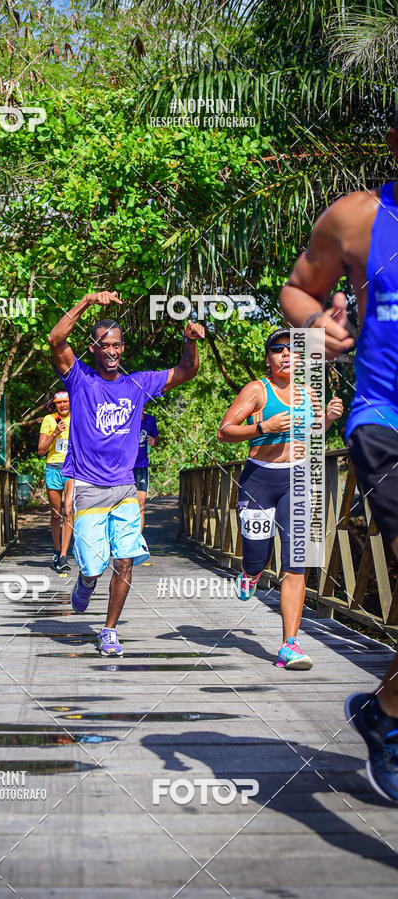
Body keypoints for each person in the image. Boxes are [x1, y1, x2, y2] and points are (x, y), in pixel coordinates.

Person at [279, 113, 398, 801]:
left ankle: (385, 712)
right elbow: (300, 288)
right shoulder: (357, 219)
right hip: (385, 422)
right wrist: (313, 322)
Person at [48, 290, 204, 656]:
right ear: (93, 349)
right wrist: (86, 300)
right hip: (88, 487)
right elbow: (57, 339)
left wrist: (189, 341)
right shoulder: (80, 380)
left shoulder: (138, 384)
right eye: (105, 346)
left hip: (123, 487)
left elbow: (187, 371)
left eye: (117, 345)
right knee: (93, 564)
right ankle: (85, 582)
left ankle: (109, 630)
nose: (113, 352)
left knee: (125, 559)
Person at [217, 327, 343, 670]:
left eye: (292, 349)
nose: (286, 354)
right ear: (269, 357)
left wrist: (327, 420)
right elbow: (225, 431)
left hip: (298, 480)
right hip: (259, 479)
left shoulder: (309, 393)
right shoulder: (257, 390)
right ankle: (251, 571)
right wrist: (263, 428)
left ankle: (290, 644)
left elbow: (312, 432)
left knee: (295, 563)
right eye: (278, 349)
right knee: (257, 555)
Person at [38, 390, 73, 573]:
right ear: (55, 404)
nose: (63, 405)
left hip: (72, 469)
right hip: (53, 468)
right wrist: (54, 434)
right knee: (55, 514)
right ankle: (56, 549)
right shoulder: (49, 420)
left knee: (68, 510)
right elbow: (41, 450)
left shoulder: (78, 417)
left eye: (66, 401)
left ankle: (64, 556)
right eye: (59, 402)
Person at [133, 406, 160, 530]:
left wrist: (155, 442)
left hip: (141, 466)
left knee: (140, 505)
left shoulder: (150, 420)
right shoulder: (126, 418)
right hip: (124, 467)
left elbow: (157, 439)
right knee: (121, 506)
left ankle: (137, 541)